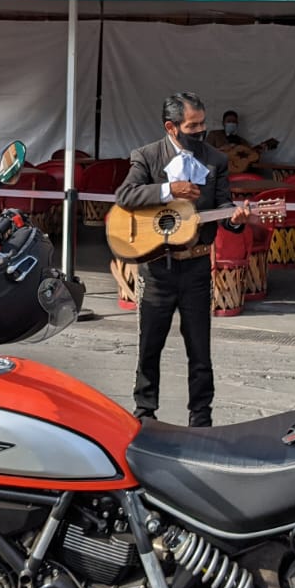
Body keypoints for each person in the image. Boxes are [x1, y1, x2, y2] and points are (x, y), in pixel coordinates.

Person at [115, 92, 245, 426]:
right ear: (171, 127)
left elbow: (224, 207)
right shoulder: (147, 156)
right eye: (192, 125)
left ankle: (201, 418)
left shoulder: (215, 159)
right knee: (150, 346)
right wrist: (168, 191)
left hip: (197, 265)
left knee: (200, 348)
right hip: (157, 267)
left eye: (203, 123)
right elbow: (125, 196)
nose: (200, 131)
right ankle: (145, 414)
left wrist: (235, 218)